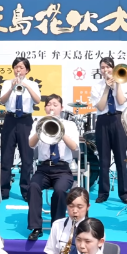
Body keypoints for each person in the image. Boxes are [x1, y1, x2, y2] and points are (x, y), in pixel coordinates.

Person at [27, 93, 81, 241]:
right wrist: (41, 128)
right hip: (43, 168)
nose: (51, 107)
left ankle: (57, 227)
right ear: (45, 108)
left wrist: (61, 130)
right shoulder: (38, 122)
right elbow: (31, 144)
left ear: (61, 108)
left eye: (55, 105)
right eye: (49, 105)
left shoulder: (70, 125)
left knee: (60, 190)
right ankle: (36, 227)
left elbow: (75, 147)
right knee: (33, 186)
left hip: (62, 169)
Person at [0, 56, 44, 201]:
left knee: (27, 157)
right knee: (6, 156)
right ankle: (4, 190)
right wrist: (12, 87)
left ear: (27, 70)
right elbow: (2, 100)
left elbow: (37, 100)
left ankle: (26, 190)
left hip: (26, 121)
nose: (18, 70)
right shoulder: (7, 83)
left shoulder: (33, 84)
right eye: (16, 67)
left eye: (21, 67)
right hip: (10, 119)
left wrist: (27, 87)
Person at [89, 56, 127, 204]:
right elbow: (100, 106)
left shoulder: (122, 82)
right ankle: (103, 192)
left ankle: (125, 193)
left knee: (121, 159)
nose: (105, 70)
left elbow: (120, 101)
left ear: (113, 68)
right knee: (104, 159)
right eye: (103, 67)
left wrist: (116, 85)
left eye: (108, 67)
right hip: (103, 121)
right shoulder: (97, 86)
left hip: (118, 120)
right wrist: (107, 87)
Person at [41, 188, 91, 254]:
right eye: (71, 206)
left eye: (80, 207)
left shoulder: (94, 229)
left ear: (88, 207)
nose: (75, 211)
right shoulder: (57, 225)